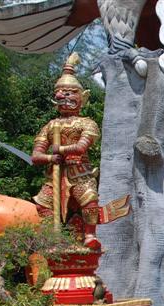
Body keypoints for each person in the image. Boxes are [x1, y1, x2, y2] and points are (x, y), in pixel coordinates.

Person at [31, 52, 103, 249]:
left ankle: (90, 235)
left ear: (82, 97)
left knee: (89, 199)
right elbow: (35, 156)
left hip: (80, 172)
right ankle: (52, 238)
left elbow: (80, 148)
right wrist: (50, 158)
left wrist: (60, 148)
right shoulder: (50, 125)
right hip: (55, 174)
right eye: (60, 93)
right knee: (43, 204)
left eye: (69, 93)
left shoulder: (87, 123)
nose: (62, 96)